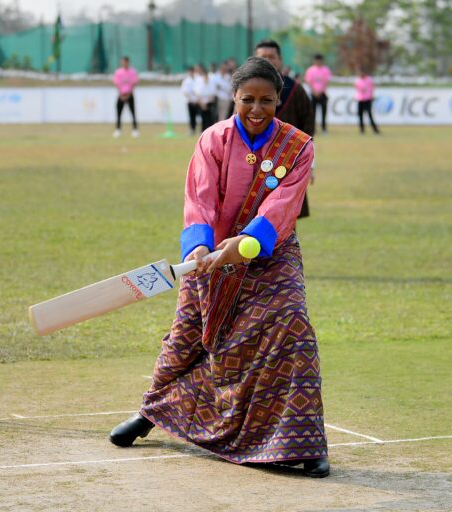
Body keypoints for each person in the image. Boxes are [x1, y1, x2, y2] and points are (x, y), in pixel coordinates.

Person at [109, 57, 330, 478]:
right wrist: (199, 248)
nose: (257, 109)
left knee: (293, 325)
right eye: (248, 99)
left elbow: (283, 206)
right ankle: (151, 412)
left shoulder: (298, 147)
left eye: (267, 100)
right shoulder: (213, 139)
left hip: (271, 255)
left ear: (278, 100)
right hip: (209, 255)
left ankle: (305, 442)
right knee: (185, 337)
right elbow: (200, 197)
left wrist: (245, 245)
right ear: (234, 97)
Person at [255, 39, 315, 219]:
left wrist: (310, 165)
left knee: (285, 219)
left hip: (287, 165)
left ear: (280, 60)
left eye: (271, 57)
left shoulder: (295, 90)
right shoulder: (245, 90)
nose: (267, 61)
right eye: (262, 57)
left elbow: (308, 130)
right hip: (252, 165)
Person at [112, 56, 139, 138]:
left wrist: (129, 94)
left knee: (133, 112)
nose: (124, 63)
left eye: (125, 62)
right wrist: (121, 94)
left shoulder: (132, 72)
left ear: (128, 62)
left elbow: (134, 83)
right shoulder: (118, 72)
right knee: (119, 113)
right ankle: (118, 129)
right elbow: (116, 83)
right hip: (121, 95)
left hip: (130, 95)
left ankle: (135, 130)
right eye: (123, 62)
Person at [304, 54, 331, 133]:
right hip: (313, 94)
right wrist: (314, 91)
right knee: (313, 113)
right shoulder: (310, 70)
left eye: (319, 60)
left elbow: (326, 81)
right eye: (317, 60)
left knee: (323, 112)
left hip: (322, 94)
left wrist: (320, 91)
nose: (318, 62)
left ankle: (324, 128)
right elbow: (308, 81)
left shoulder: (325, 69)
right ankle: (313, 128)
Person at [355, 69, 380, 134]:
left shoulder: (369, 80)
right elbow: (357, 89)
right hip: (360, 99)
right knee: (360, 115)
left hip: (367, 99)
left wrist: (371, 95)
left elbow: (372, 88)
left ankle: (375, 129)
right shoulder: (358, 80)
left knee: (369, 115)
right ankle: (362, 130)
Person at [193, 64, 216, 132]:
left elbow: (213, 94)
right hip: (202, 104)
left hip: (210, 103)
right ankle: (203, 131)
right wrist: (202, 104)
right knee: (203, 118)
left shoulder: (211, 84)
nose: (205, 78)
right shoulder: (199, 85)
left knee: (210, 118)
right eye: (204, 77)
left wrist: (208, 101)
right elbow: (197, 94)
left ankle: (211, 131)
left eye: (206, 77)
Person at [181, 66, 199, 136]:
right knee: (191, 116)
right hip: (190, 101)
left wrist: (197, 99)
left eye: (192, 71)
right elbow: (184, 91)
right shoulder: (186, 81)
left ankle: (201, 129)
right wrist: (190, 98)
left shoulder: (198, 79)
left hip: (198, 101)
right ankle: (192, 129)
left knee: (199, 116)